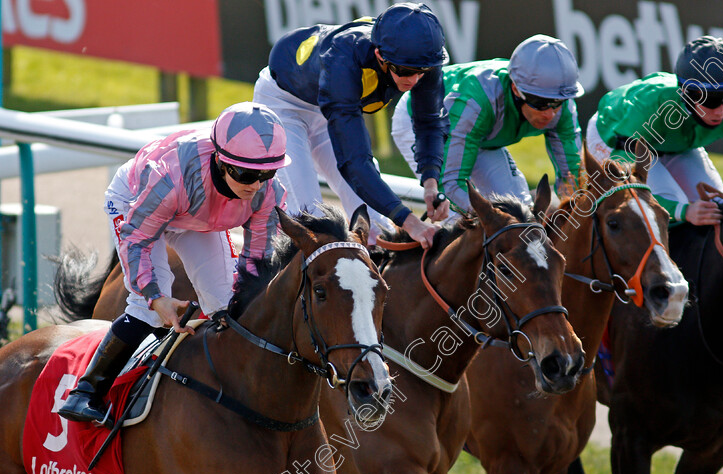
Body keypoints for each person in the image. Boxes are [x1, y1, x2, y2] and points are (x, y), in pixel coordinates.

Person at [59, 101, 291, 425]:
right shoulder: (169, 178)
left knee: (228, 302)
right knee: (147, 304)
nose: (255, 184)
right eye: (246, 173)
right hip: (137, 202)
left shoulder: (268, 192)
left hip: (195, 217)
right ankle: (86, 391)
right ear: (221, 161)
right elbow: (137, 240)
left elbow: (256, 261)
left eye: (266, 174)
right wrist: (156, 297)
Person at [253, 2, 449, 249]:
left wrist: (431, 182)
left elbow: (430, 123)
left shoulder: (423, 59)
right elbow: (355, 162)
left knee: (379, 227)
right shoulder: (342, 61)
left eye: (423, 71)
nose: (415, 79)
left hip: (326, 107)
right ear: (380, 56)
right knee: (311, 220)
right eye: (406, 71)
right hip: (283, 105)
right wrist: (411, 223)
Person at [392, 34, 584, 216]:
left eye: (557, 102)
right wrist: (492, 220)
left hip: (480, 132)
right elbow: (449, 184)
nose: (550, 113)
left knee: (521, 209)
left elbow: (573, 178)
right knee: (459, 219)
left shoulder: (564, 108)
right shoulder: (475, 102)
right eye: (540, 102)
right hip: (423, 120)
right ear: (516, 89)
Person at [586, 35, 723, 226]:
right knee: (666, 213)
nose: (721, 110)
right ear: (688, 93)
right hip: (615, 139)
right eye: (712, 99)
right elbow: (625, 181)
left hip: (674, 143)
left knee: (717, 207)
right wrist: (682, 211)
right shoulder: (651, 105)